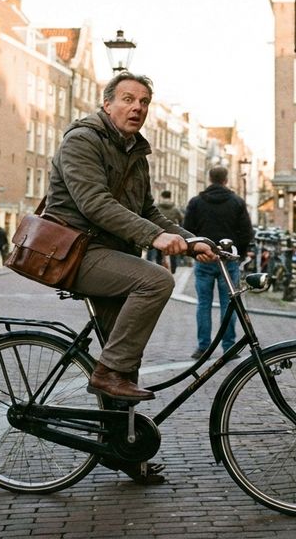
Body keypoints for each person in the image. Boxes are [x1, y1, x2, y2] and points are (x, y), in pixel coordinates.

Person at [44, 71, 217, 403]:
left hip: (112, 255)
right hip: (78, 251)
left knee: (124, 361)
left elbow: (149, 211)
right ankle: (106, 371)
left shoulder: (135, 153)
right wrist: (153, 238)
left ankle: (121, 451)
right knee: (156, 281)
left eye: (144, 102)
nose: (137, 107)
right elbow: (94, 203)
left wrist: (192, 242)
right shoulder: (82, 140)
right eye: (128, 99)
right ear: (107, 104)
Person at [184, 166, 254, 359]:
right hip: (228, 261)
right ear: (226, 179)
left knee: (203, 304)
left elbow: (187, 232)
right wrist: (234, 252)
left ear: (209, 178)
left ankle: (203, 347)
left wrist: (195, 254)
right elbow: (246, 233)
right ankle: (229, 347)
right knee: (229, 304)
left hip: (204, 260)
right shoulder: (237, 202)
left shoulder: (196, 202)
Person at [153, 190, 185, 273]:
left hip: (159, 233)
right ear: (170, 197)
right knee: (173, 252)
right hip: (172, 233)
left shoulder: (157, 207)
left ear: (162, 197)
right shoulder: (175, 209)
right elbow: (181, 219)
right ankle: (173, 270)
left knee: (159, 253)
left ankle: (159, 270)